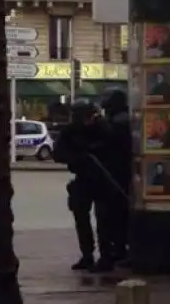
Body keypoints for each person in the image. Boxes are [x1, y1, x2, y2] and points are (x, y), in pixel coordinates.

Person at [53, 100, 108, 271]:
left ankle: (106, 256)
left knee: (104, 220)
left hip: (102, 179)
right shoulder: (71, 131)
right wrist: (77, 156)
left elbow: (113, 147)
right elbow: (58, 154)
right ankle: (87, 255)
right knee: (81, 218)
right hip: (83, 178)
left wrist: (95, 149)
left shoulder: (101, 128)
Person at [98, 88, 133, 268]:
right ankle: (118, 250)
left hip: (116, 176)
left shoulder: (118, 123)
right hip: (117, 175)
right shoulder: (119, 120)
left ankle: (116, 251)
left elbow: (109, 147)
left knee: (113, 217)